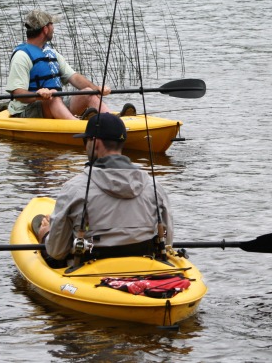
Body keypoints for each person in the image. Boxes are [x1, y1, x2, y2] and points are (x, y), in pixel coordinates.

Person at [33, 112, 174, 264]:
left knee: (38, 224)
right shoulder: (154, 186)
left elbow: (57, 252)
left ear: (96, 143)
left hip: (89, 274)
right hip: (145, 266)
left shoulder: (74, 188)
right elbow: (168, 242)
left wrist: (46, 234)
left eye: (85, 141)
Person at [5, 9, 119, 119]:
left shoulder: (50, 53)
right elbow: (17, 93)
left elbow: (74, 77)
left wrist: (97, 88)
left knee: (88, 92)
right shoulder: (21, 56)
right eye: (52, 25)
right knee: (53, 96)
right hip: (27, 111)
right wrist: (37, 95)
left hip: (54, 103)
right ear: (45, 29)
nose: (53, 28)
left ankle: (112, 120)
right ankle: (77, 126)